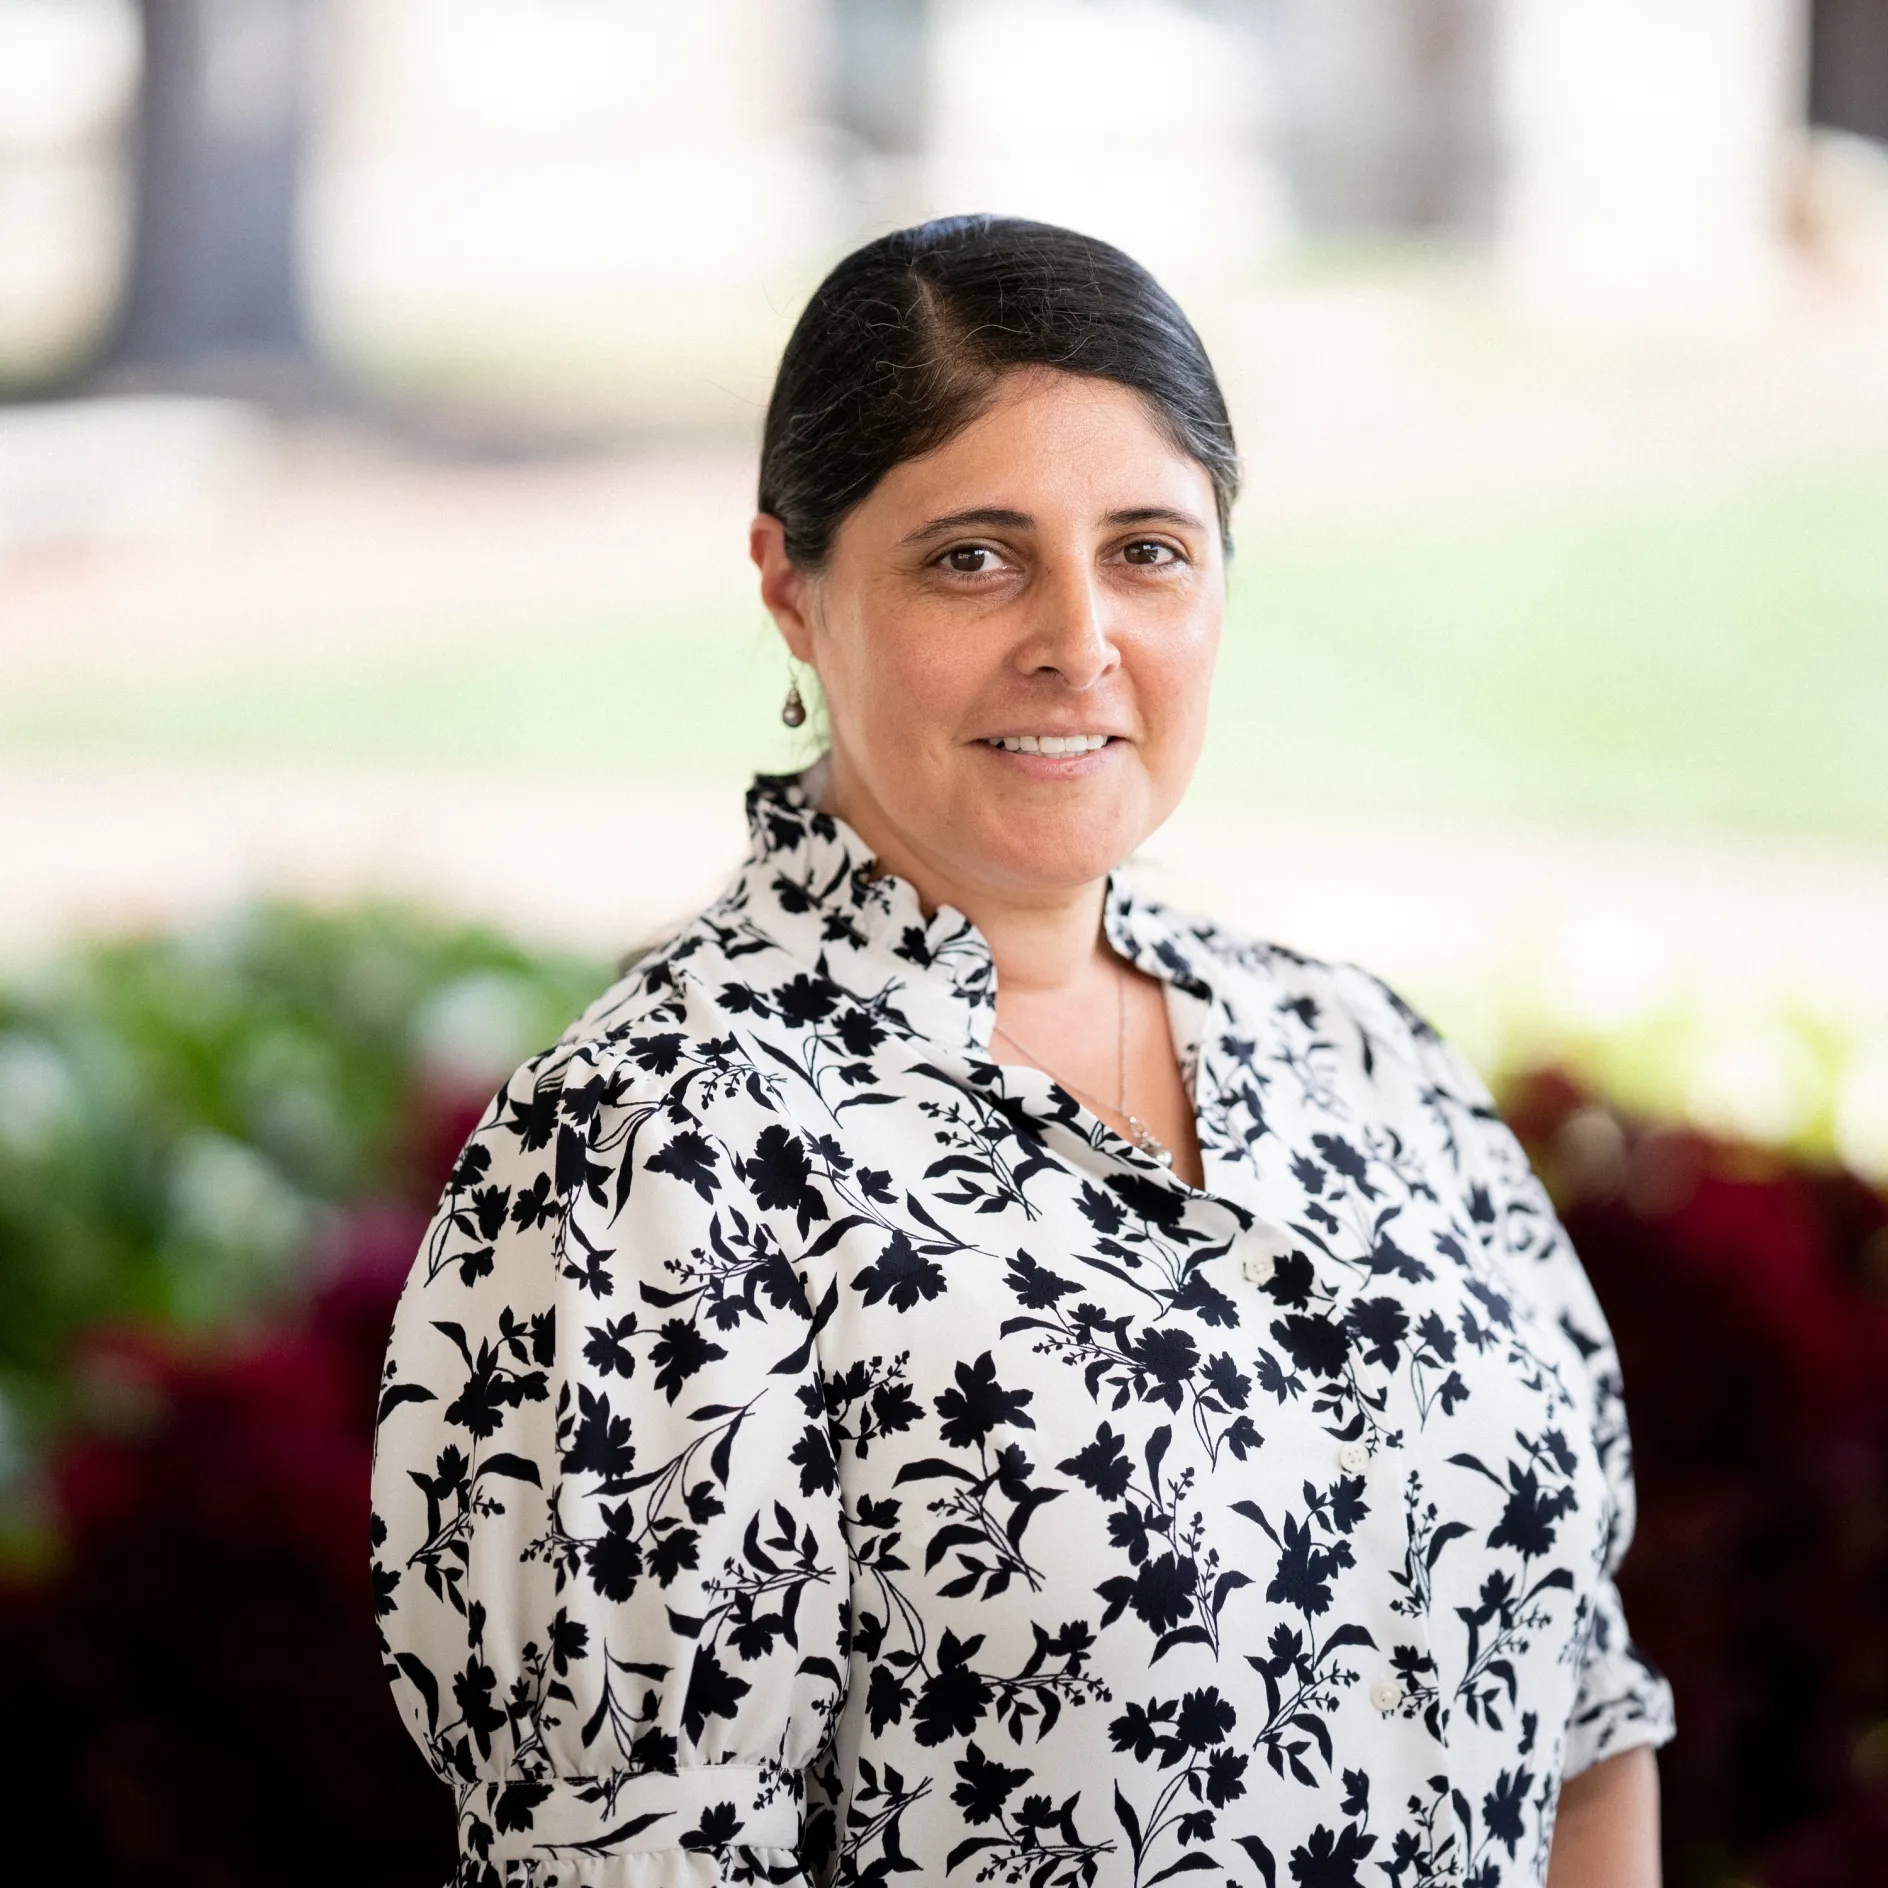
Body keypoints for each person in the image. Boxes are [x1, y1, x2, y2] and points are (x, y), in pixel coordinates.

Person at [371, 216, 1674, 1888]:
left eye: (1148, 550)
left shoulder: (1365, 1061)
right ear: (791, 585)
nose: (1079, 638)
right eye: (974, 557)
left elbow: (1585, 1724)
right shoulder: (655, 1156)